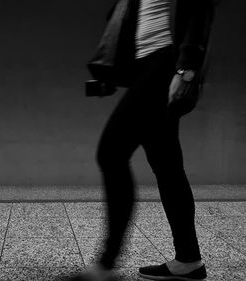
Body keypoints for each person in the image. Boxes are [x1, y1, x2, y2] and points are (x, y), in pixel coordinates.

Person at [73, 0, 216, 280]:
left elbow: (200, 10)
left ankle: (106, 264)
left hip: (165, 62)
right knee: (167, 166)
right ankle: (189, 259)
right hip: (147, 66)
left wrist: (185, 68)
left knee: (111, 153)